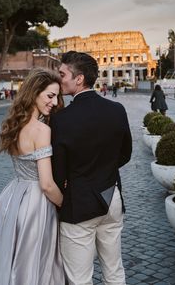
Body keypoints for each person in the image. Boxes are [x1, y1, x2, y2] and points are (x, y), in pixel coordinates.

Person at [50, 51, 132, 285]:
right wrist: (102, 171)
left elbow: (58, 173)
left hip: (79, 205)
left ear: (79, 78)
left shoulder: (61, 119)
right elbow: (125, 154)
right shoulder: (117, 110)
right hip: (112, 197)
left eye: (63, 73)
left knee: (79, 279)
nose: (59, 78)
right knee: (114, 270)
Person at [0, 68, 67, 285]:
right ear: (34, 93)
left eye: (57, 96)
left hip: (13, 198)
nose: (54, 102)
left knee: (13, 260)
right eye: (50, 96)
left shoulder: (14, 124)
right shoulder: (41, 130)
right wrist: (66, 205)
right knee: (34, 264)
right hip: (36, 204)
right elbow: (47, 184)